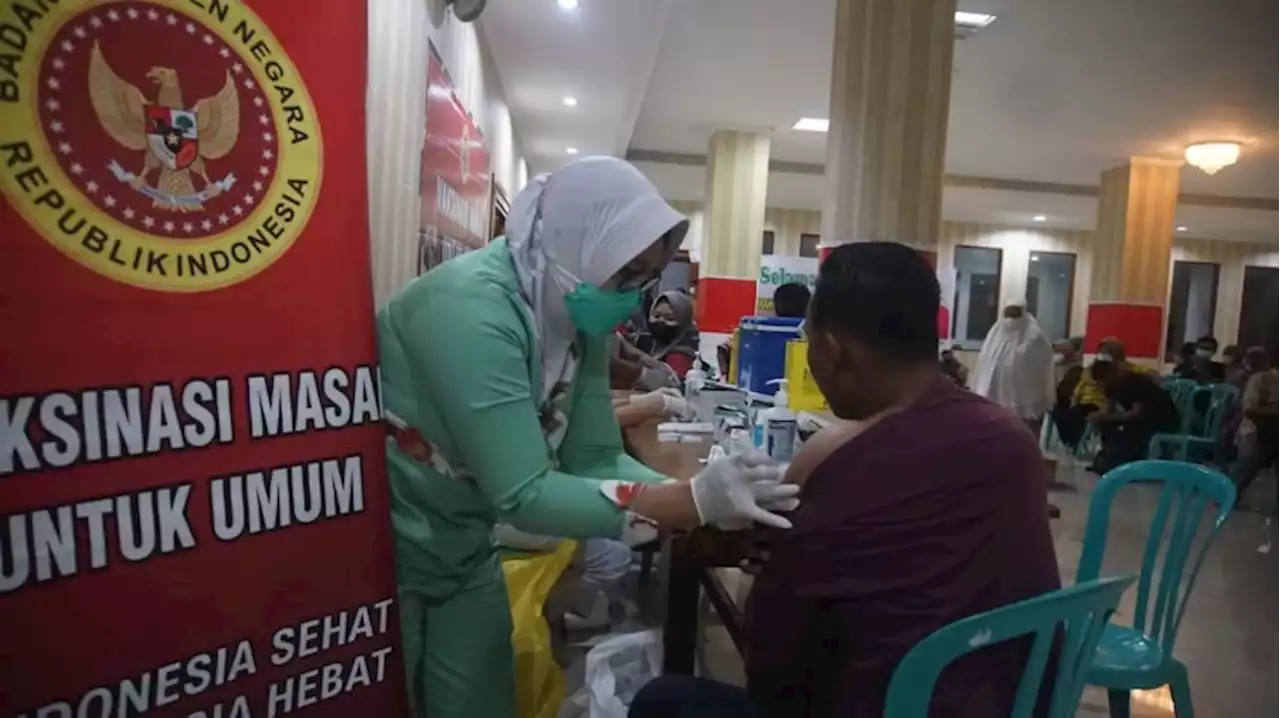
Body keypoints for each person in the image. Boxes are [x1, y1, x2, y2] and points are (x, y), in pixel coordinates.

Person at [378, 156, 799, 718]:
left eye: (646, 278)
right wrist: (686, 501)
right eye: (625, 274)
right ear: (577, 243)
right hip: (386, 550)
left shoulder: (577, 317)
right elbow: (524, 493)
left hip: (464, 545)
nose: (634, 295)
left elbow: (595, 457)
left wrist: (709, 499)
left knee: (480, 702)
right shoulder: (471, 307)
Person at [630, 242, 1061, 717]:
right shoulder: (1013, 441)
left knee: (665, 700)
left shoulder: (831, 458)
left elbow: (772, 668)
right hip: (1006, 704)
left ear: (831, 350)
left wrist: (758, 564)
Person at [970, 300, 1056, 434]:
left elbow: (1044, 363)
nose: (1011, 321)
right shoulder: (995, 336)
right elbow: (985, 365)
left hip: (1026, 399)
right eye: (1008, 315)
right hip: (996, 400)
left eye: (1015, 316)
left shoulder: (1035, 336)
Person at [1087, 359, 1180, 470]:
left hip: (1160, 416)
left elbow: (1136, 414)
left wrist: (1107, 418)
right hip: (1140, 417)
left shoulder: (1134, 383)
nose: (1102, 386)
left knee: (1131, 427)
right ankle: (1110, 455)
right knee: (1107, 424)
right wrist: (1099, 417)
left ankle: (1129, 460)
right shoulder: (1110, 387)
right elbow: (1109, 411)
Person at [1230, 343, 1280, 495]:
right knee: (1254, 454)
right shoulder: (1261, 379)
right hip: (1257, 427)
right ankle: (1230, 493)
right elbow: (1250, 409)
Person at [625, 290, 701, 379]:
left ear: (683, 321)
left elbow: (671, 382)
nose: (661, 321)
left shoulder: (681, 354)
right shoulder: (645, 342)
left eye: (669, 318)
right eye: (656, 316)